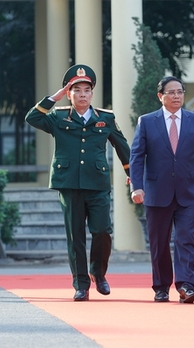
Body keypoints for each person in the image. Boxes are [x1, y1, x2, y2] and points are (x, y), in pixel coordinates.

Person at [25, 64, 131, 302]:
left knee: (103, 231)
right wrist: (55, 97)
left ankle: (98, 273)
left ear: (92, 94)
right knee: (75, 236)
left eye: (86, 90)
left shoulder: (106, 118)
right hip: (69, 183)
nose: (82, 94)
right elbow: (32, 117)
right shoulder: (58, 117)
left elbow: (122, 147)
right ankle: (80, 284)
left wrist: (132, 172)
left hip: (97, 184)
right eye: (77, 90)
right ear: (69, 93)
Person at [129, 76, 194, 303]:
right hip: (157, 191)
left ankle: (187, 285)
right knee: (159, 242)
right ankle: (161, 286)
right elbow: (137, 156)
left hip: (190, 191)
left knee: (186, 239)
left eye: (180, 92)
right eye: (172, 92)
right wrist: (137, 187)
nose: (177, 96)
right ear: (161, 96)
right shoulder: (147, 121)